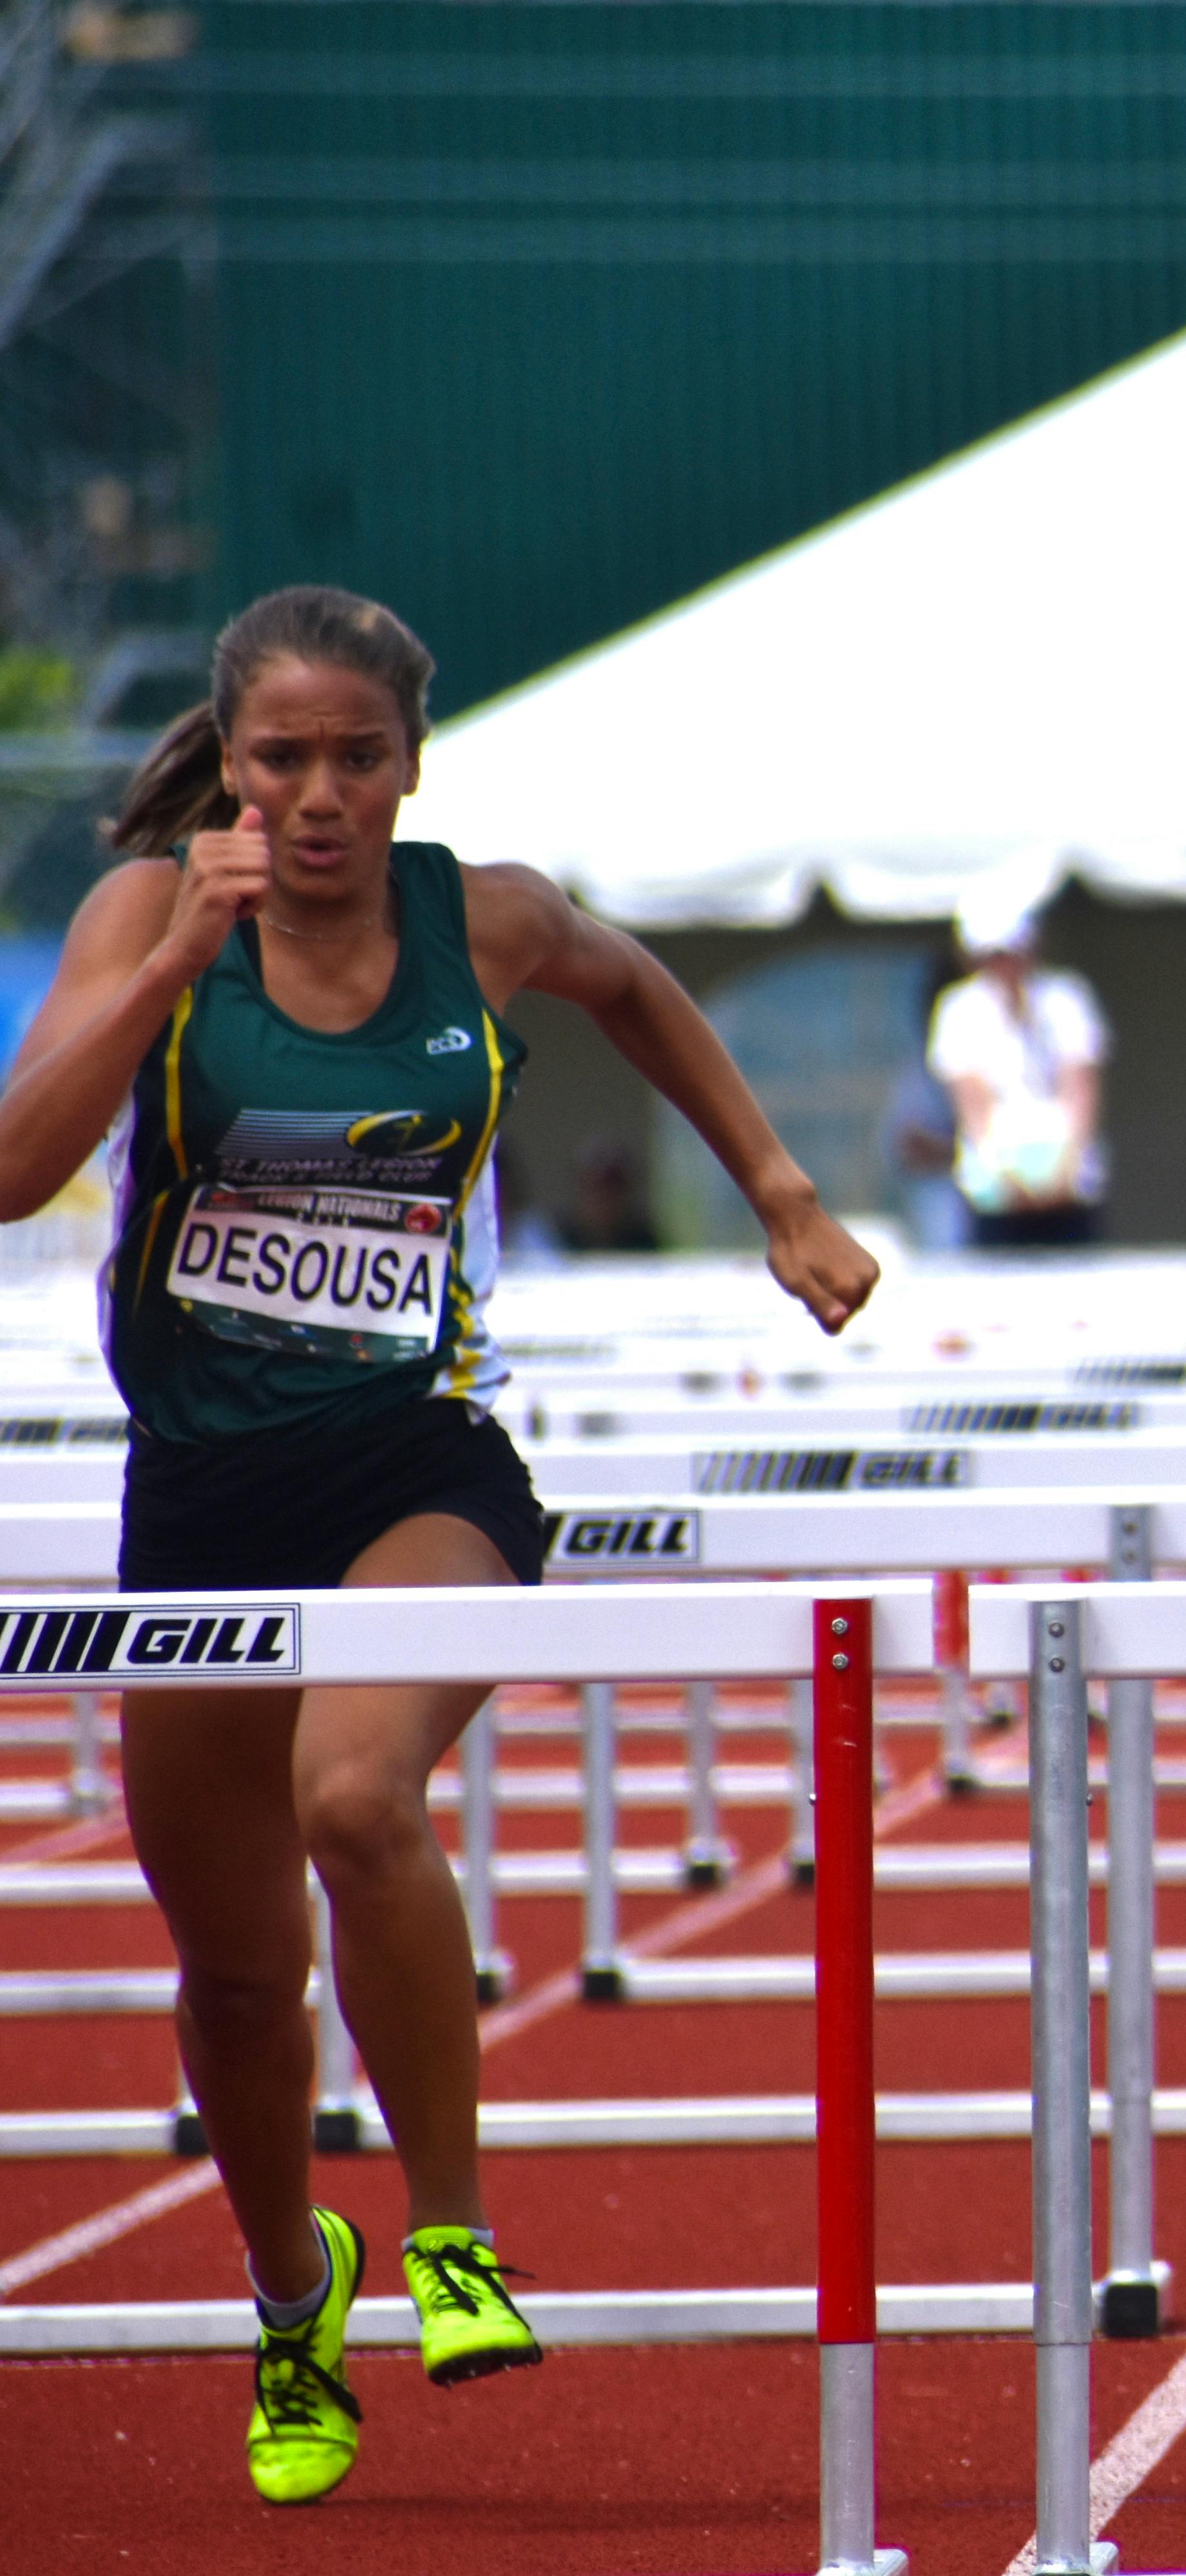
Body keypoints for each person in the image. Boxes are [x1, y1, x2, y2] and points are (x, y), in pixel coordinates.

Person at [0, 585, 878, 2503]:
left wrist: (783, 1194)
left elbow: (635, 986)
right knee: (236, 1978)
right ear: (230, 767)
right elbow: (5, 1170)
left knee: (361, 1798)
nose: (319, 797)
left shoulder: (479, 918)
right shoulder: (151, 919)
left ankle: (453, 2226)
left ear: (410, 764)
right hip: (201, 1501)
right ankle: (289, 2296)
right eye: (282, 760)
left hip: (421, 1467)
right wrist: (169, 969)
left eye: (357, 759)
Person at [928, 878, 1106, 1249]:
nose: (1004, 965)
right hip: (996, 1197)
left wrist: (1062, 1174)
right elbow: (973, 1105)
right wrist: (1009, 1181)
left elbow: (1080, 1089)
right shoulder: (959, 1010)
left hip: (1069, 1192)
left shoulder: (1066, 999)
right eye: (993, 955)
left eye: (1012, 952)